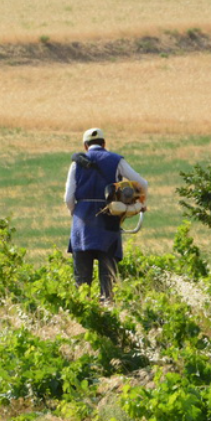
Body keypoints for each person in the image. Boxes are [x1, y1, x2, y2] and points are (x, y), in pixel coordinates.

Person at [64, 128, 147, 301]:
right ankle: (108, 310)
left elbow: (68, 197)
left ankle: (82, 316)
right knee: (108, 280)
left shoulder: (76, 163)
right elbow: (142, 183)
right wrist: (140, 204)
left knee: (82, 282)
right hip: (108, 221)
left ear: (85, 146)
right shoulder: (116, 160)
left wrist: (76, 213)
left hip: (82, 223)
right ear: (104, 144)